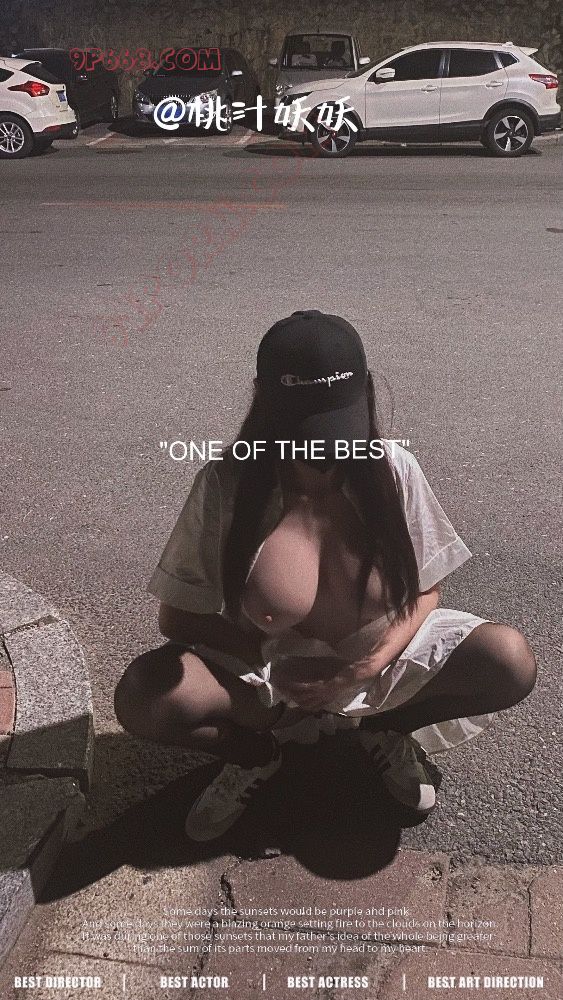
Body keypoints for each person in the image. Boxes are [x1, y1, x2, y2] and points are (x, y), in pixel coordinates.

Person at [114, 310, 536, 841]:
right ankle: (256, 755)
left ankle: (382, 730)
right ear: (262, 399)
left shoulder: (394, 469)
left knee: (509, 659)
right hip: (267, 682)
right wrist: (269, 666)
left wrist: (362, 668)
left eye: (336, 431)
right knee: (145, 697)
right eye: (303, 430)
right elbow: (177, 618)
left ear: (366, 392)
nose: (323, 452)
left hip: (381, 666)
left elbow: (428, 589)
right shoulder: (226, 484)